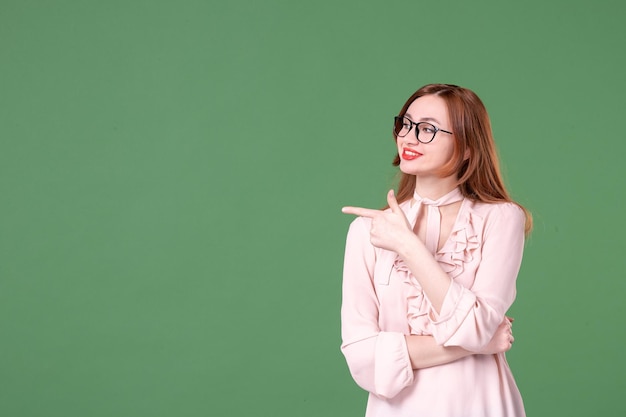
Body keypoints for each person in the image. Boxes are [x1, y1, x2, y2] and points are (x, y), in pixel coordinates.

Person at [340, 83, 532, 417]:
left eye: (427, 129)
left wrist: (408, 246)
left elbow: (476, 325)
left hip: (480, 404)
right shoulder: (365, 232)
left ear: (468, 147)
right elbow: (360, 356)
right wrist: (477, 345)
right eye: (406, 124)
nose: (409, 138)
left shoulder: (501, 219)